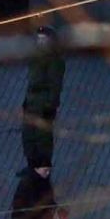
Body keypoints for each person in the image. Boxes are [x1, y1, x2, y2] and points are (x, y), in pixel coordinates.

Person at [21, 29, 66, 167]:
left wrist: (50, 105)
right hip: (32, 101)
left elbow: (55, 84)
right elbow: (31, 80)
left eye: (44, 40)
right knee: (28, 136)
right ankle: (31, 167)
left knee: (42, 139)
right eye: (39, 39)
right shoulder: (36, 56)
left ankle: (42, 169)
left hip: (43, 102)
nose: (41, 42)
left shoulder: (54, 60)